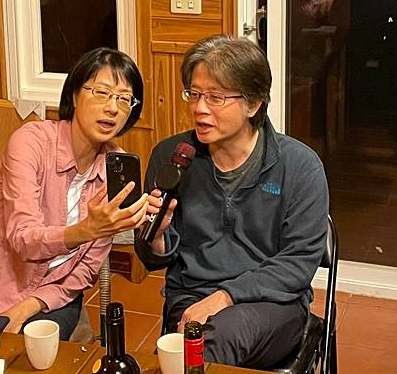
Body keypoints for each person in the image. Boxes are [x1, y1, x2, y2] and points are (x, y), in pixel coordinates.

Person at [135, 35, 329, 369]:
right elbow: (152, 259)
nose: (199, 108)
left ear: (253, 104)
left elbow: (298, 263)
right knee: (199, 339)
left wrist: (226, 296)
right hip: (192, 297)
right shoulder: (171, 157)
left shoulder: (299, 166)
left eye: (215, 97)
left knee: (212, 339)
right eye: (194, 94)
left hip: (273, 303)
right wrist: (156, 236)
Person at [0, 48, 149, 339]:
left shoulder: (114, 168)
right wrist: (86, 230)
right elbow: (23, 238)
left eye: (124, 99)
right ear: (74, 96)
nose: (112, 108)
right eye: (102, 93)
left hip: (51, 296)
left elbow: (85, 271)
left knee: (39, 351)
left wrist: (29, 306)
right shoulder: (31, 142)